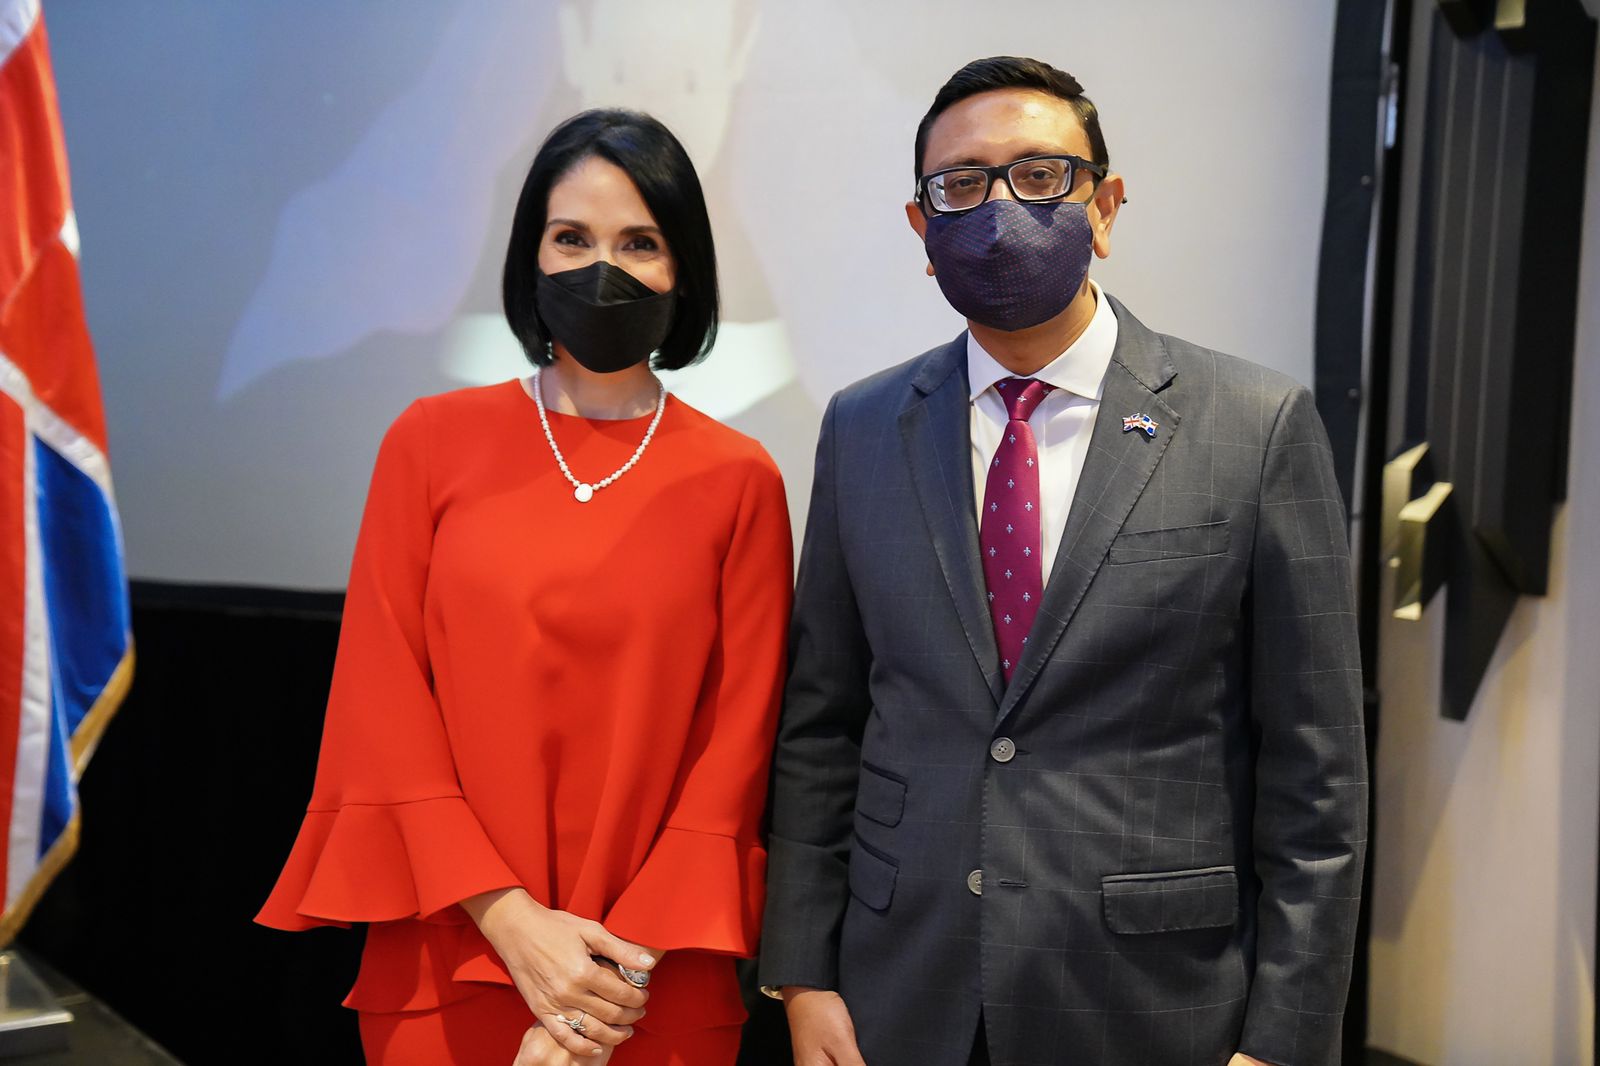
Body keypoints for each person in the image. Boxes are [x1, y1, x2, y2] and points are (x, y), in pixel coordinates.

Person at [759, 57, 1367, 1066]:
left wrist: (1286, 1040)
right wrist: (802, 974)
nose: (1000, 209)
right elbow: (823, 724)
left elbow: (1317, 773)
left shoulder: (1254, 424)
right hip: (900, 992)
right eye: (961, 185)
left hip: (1157, 1000)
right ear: (922, 230)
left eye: (1040, 175)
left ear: (1106, 205)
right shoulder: (862, 427)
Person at [257, 109, 793, 1066]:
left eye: (640, 242)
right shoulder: (429, 441)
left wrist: (602, 991)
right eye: (571, 238)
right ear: (530, 259)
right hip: (450, 947)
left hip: (651, 980)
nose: (603, 268)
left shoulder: (740, 476)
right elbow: (383, 697)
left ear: (684, 269)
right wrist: (512, 924)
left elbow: (738, 748)